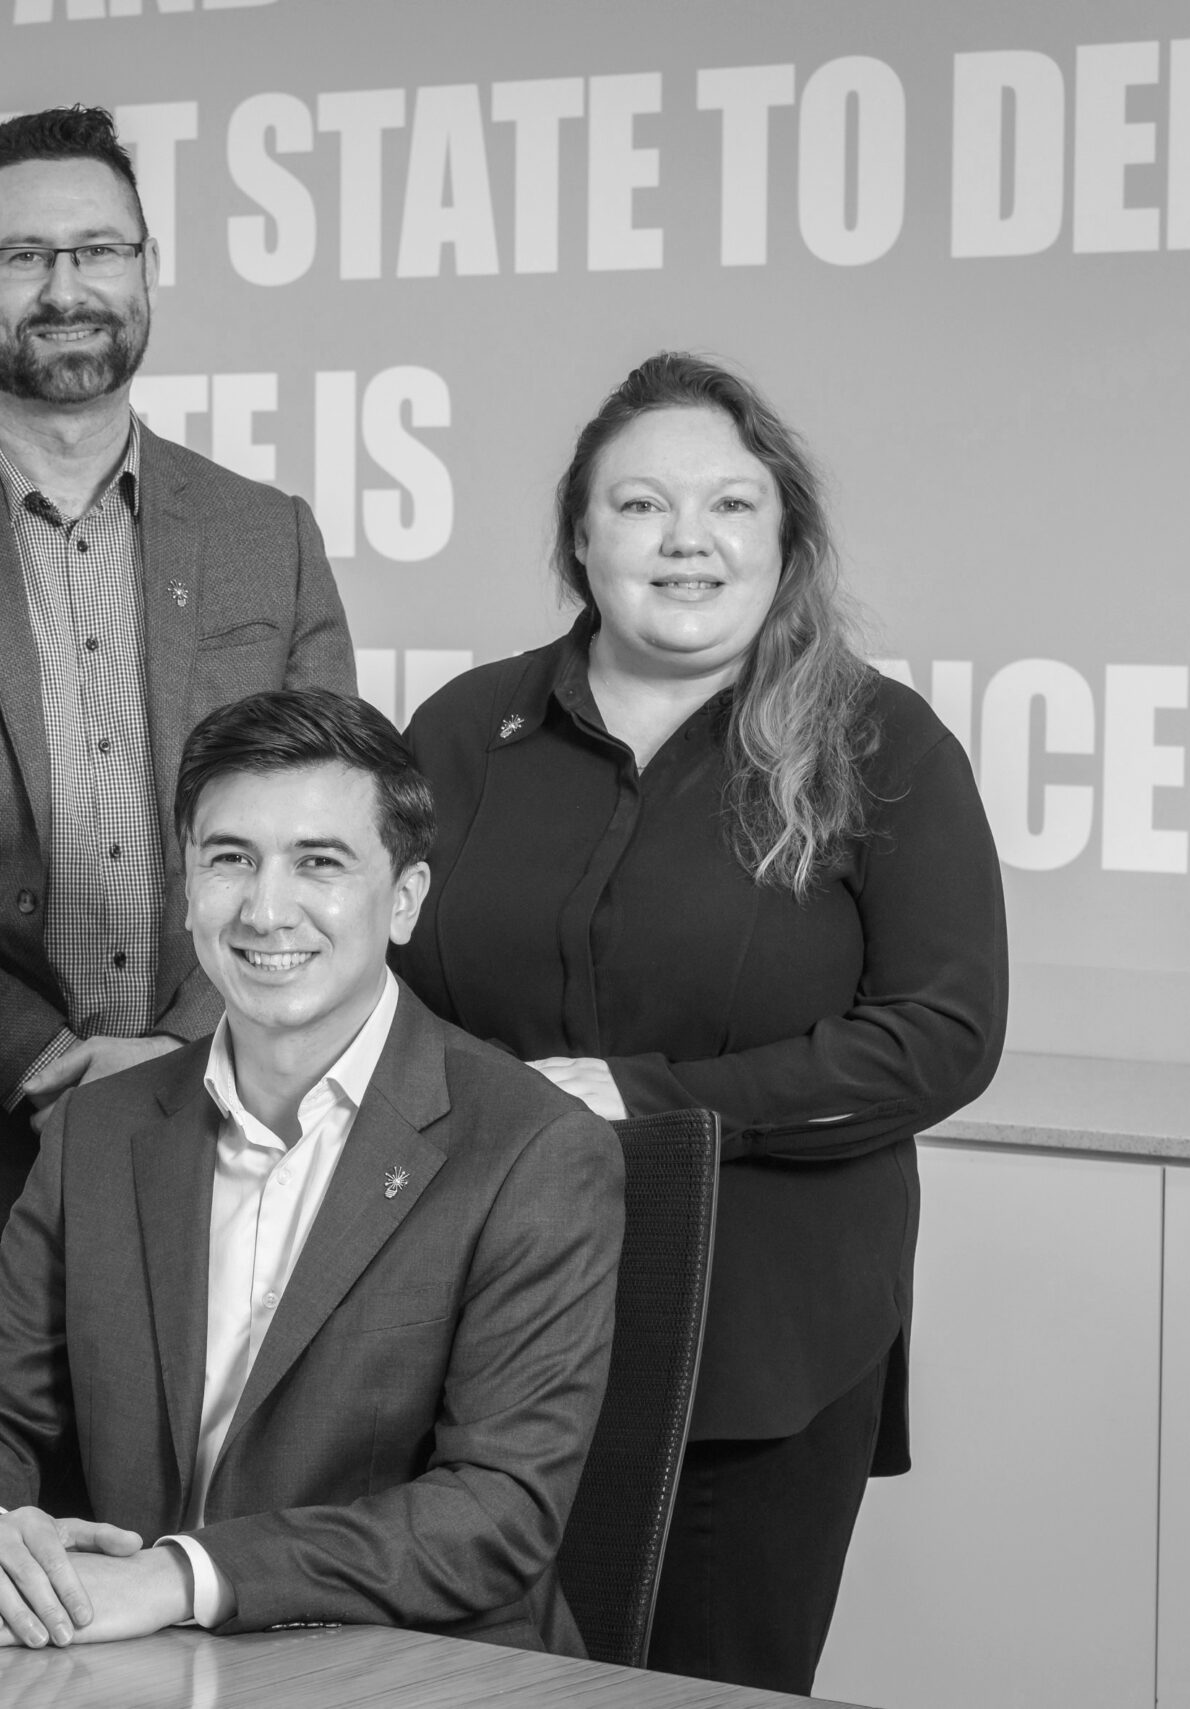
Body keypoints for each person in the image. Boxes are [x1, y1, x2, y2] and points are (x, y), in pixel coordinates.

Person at [395, 353, 1009, 1694]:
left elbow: (941, 1034)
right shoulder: (461, 731)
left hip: (756, 1356)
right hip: (472, 1330)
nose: (686, 541)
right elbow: (377, 996)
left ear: (785, 539)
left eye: (731, 505)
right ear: (578, 534)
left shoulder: (878, 746)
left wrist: (644, 1101)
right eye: (640, 505)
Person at [0, 688, 624, 1653]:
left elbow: (498, 1513)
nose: (267, 909)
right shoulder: (100, 1129)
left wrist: (181, 1575)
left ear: (404, 900)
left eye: (320, 862)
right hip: (133, 1662)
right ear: (185, 889)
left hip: (411, 1672)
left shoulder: (535, 1149)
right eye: (231, 859)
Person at [0, 105, 356, 1245]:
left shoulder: (264, 534)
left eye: (97, 250)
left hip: (239, 1112)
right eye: (23, 256)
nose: (64, 286)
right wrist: (33, 1058)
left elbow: (335, 826)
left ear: (146, 270)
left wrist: (189, 1047)